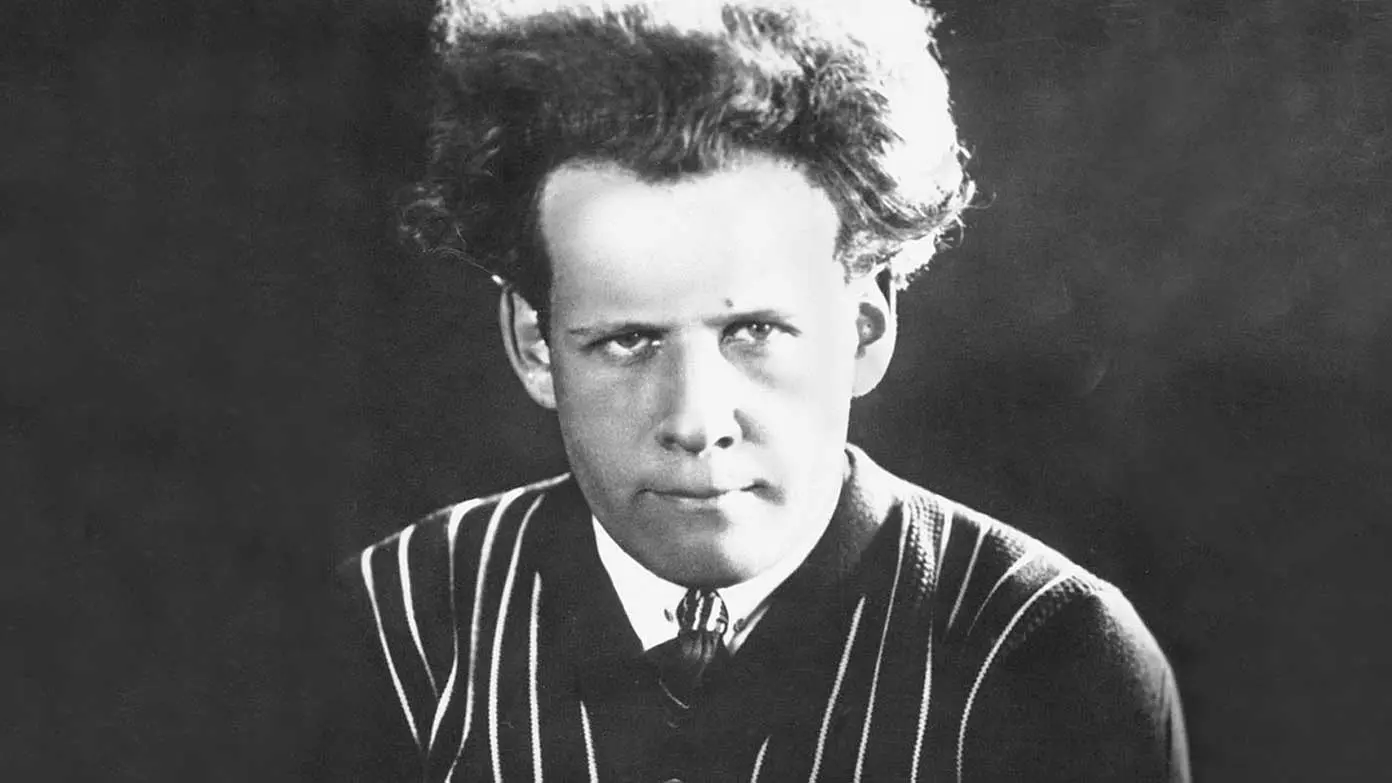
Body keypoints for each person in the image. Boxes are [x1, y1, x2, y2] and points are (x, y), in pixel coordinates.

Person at [329, 1, 1191, 780]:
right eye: (627, 340)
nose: (696, 421)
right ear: (534, 342)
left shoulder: (1048, 653)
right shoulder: (403, 632)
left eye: (756, 331)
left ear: (865, 328)